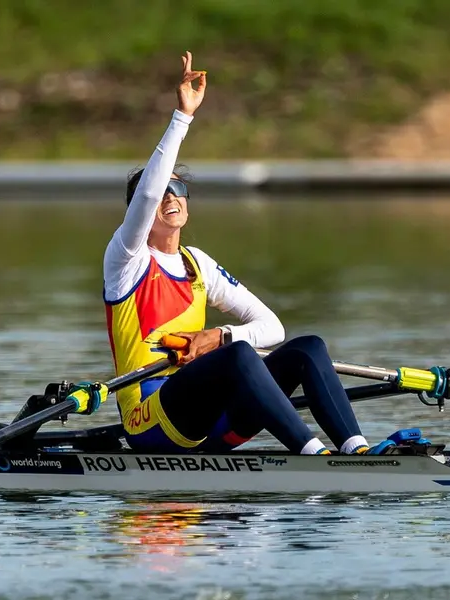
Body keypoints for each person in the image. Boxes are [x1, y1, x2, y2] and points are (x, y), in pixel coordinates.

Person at [104, 52, 392, 456]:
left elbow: (271, 327)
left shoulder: (197, 263)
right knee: (238, 356)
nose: (170, 198)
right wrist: (181, 117)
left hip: (212, 422)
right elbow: (149, 190)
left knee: (307, 348)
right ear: (138, 212)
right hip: (150, 420)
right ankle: (314, 456)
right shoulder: (126, 258)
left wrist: (217, 335)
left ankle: (356, 450)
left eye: (179, 190)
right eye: (159, 194)